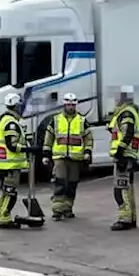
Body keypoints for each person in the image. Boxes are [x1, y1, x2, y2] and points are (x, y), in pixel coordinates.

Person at [41, 92, 92, 221]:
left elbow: (88, 139)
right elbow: (48, 138)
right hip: (60, 157)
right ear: (64, 105)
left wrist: (87, 152)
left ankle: (67, 208)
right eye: (68, 104)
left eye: (73, 105)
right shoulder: (56, 120)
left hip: (76, 158)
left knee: (71, 184)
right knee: (60, 182)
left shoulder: (81, 120)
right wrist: (46, 154)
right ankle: (57, 210)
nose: (70, 107)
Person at [108, 85, 139, 231]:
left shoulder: (126, 113)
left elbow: (128, 133)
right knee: (128, 189)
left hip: (124, 156)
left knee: (121, 190)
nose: (115, 99)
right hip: (129, 155)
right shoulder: (130, 112)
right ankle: (131, 217)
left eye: (118, 97)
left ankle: (125, 219)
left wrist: (119, 152)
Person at [0, 93, 28, 229]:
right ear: (16, 106)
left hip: (5, 164)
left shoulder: (5, 120)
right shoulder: (11, 123)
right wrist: (27, 149)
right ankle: (4, 218)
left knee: (4, 192)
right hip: (11, 165)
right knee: (10, 193)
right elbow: (12, 145)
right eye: (20, 106)